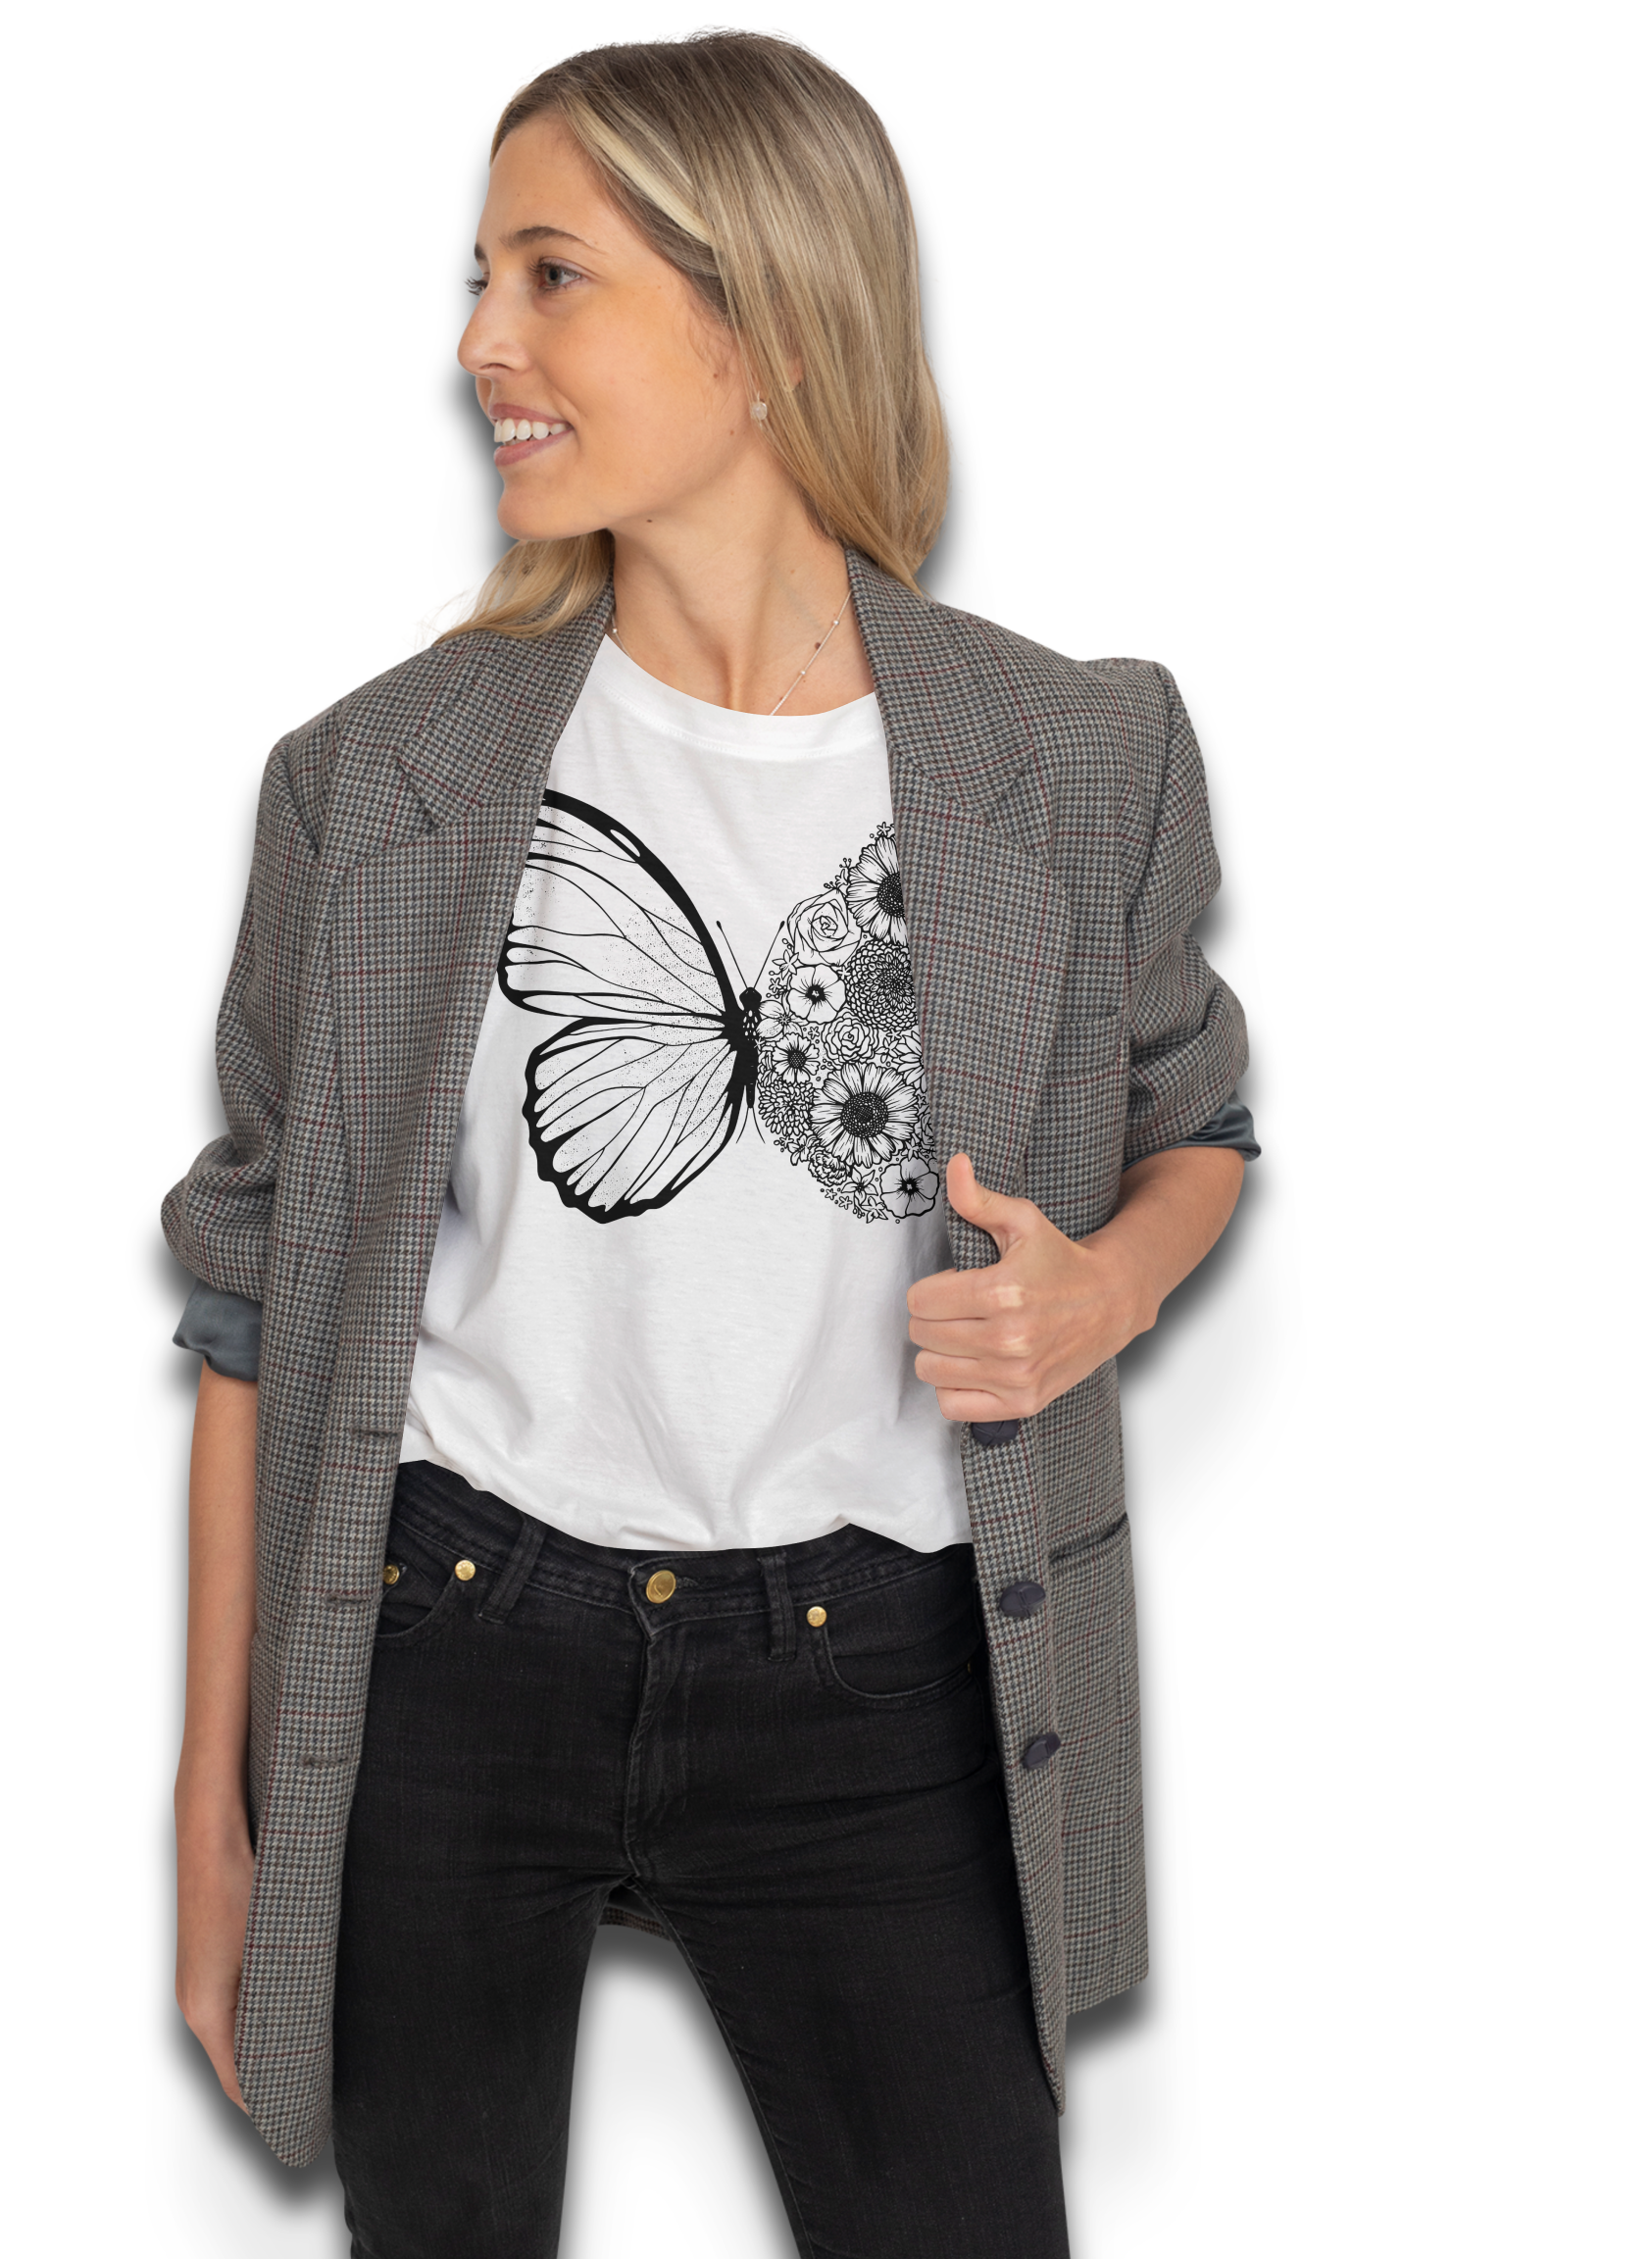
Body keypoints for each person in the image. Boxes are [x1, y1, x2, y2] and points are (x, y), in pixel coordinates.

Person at [164, 32, 1256, 2259]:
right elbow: (254, 1302)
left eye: (550, 276)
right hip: (448, 1643)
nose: (481, 344)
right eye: (480, 279)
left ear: (763, 324)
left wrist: (1109, 1289)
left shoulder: (1073, 755)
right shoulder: (374, 779)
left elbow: (1198, 1114)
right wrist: (215, 1821)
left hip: (879, 1667)